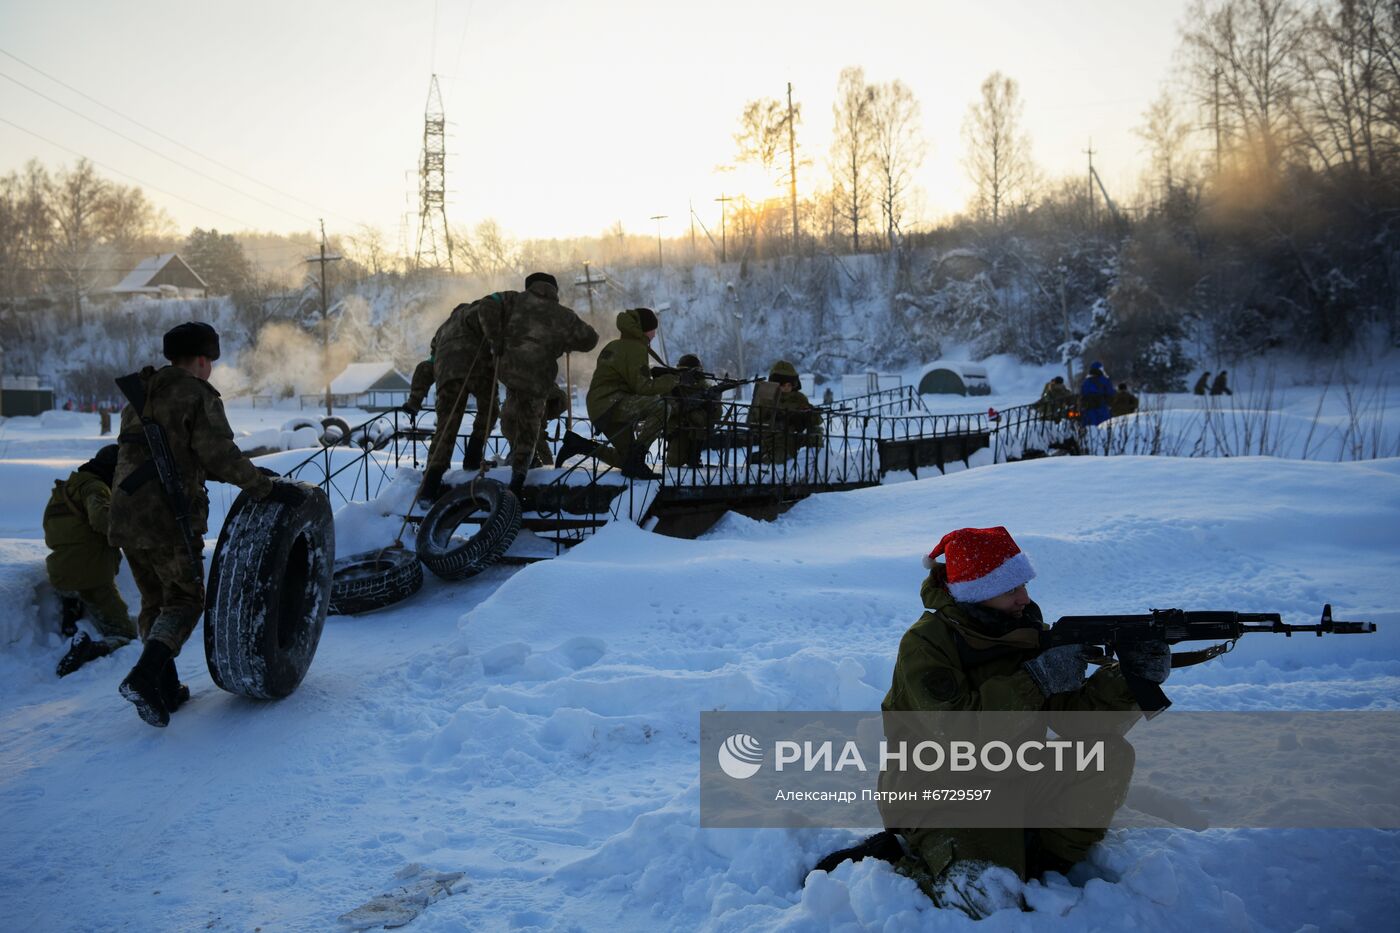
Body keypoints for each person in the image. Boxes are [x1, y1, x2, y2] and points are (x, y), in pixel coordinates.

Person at [876, 527, 1167, 908]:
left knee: (1107, 756)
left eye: (1024, 585)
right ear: (978, 592)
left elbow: (1074, 719)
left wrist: (1131, 679)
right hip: (942, 791)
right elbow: (960, 736)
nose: (1024, 598)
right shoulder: (926, 644)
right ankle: (909, 866)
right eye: (1010, 589)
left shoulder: (1025, 631)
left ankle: (1044, 866)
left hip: (1014, 775)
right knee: (989, 898)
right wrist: (1036, 680)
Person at [109, 322, 298, 728]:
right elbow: (218, 454)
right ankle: (144, 679)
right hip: (167, 518)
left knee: (155, 601)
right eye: (210, 361)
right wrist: (263, 487)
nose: (210, 369)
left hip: (126, 515)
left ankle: (166, 689)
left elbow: (170, 457)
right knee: (185, 601)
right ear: (201, 360)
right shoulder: (195, 394)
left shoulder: (139, 396)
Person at [476, 272, 599, 497]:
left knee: (511, 418)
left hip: (510, 371)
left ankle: (524, 463)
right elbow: (590, 339)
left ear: (529, 287)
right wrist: (567, 338)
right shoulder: (563, 315)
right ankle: (519, 477)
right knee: (529, 426)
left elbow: (485, 304)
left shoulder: (512, 300)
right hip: (538, 378)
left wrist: (495, 340)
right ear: (554, 290)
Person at [44, 444, 138, 677]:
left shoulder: (64, 489)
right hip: (91, 574)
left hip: (60, 571)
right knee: (125, 632)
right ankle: (90, 647)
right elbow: (102, 519)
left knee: (78, 597)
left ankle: (70, 620)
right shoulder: (95, 487)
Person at [404, 297, 502, 502]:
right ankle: (473, 455)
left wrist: (415, 400)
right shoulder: (475, 312)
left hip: (446, 376)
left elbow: (426, 366)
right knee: (490, 409)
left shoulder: (442, 330)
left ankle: (430, 483)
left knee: (447, 425)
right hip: (479, 369)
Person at [562, 307, 676, 481]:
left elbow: (627, 378)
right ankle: (638, 458)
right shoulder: (636, 348)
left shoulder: (614, 345)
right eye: (653, 329)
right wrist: (673, 381)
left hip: (600, 406)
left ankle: (579, 445)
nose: (654, 334)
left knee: (625, 460)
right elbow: (643, 387)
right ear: (645, 329)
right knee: (662, 407)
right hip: (613, 403)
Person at [747, 360, 822, 464]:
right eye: (782, 385)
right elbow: (753, 422)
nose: (786, 388)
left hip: (795, 438)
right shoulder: (765, 398)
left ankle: (814, 462)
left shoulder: (799, 398)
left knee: (816, 433)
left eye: (789, 385)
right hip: (774, 441)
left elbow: (817, 420)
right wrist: (781, 420)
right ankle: (761, 458)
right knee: (779, 459)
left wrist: (807, 417)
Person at [665, 353, 722, 469]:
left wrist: (715, 398)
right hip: (678, 426)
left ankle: (695, 456)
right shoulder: (672, 384)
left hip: (696, 428)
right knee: (675, 462)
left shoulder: (703, 385)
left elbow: (716, 416)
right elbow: (672, 409)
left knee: (700, 417)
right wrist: (696, 400)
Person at [1078, 362, 1115, 427]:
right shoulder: (1105, 380)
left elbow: (1081, 395)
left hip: (1088, 411)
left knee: (1090, 430)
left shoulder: (1085, 382)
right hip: (1102, 409)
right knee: (1104, 428)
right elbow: (1111, 393)